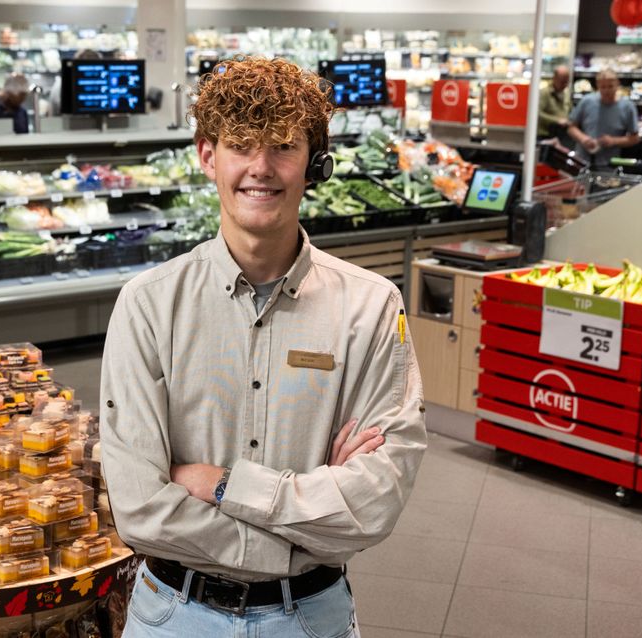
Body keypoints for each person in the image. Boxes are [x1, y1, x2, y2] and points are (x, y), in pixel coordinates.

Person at [99, 57, 427, 637]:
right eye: (241, 145)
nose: (260, 168)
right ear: (208, 156)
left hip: (309, 619)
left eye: (282, 146)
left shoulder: (371, 307)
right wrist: (303, 523)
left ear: (313, 163)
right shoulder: (148, 304)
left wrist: (222, 484)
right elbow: (139, 507)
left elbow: (374, 501)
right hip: (174, 616)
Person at [567, 69, 640, 167]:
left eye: (610, 87)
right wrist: (584, 139)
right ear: (597, 86)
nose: (606, 91)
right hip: (581, 161)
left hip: (610, 164)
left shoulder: (627, 107)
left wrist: (614, 141)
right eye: (603, 87)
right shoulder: (586, 101)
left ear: (617, 84)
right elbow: (571, 127)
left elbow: (634, 138)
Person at [538, 65, 571, 139]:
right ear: (555, 78)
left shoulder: (566, 93)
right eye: (562, 82)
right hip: (545, 135)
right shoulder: (545, 93)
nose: (565, 85)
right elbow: (538, 114)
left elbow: (570, 111)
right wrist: (557, 120)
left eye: (566, 82)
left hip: (561, 134)